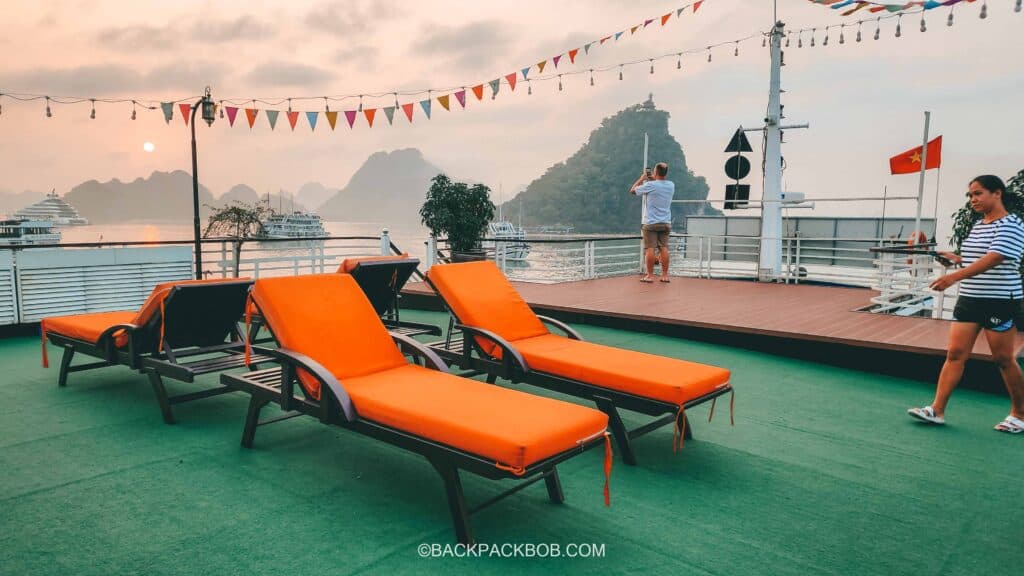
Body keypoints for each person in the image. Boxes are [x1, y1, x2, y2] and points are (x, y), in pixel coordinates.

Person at [908, 175, 1024, 434]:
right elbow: (976, 258)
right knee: (955, 354)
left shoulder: (1012, 224)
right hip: (970, 299)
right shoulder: (979, 225)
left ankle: (1019, 414)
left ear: (997, 193)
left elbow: (994, 258)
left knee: (1004, 359)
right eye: (970, 195)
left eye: (978, 193)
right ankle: (937, 410)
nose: (973, 200)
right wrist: (957, 258)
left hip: (1000, 300)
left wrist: (952, 277)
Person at [630, 162, 674, 283]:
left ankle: (649, 276)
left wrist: (642, 178)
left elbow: (632, 191)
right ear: (666, 173)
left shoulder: (650, 185)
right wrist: (653, 178)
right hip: (665, 222)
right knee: (663, 248)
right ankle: (664, 276)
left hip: (651, 223)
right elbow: (659, 181)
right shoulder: (671, 185)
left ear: (655, 172)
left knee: (650, 248)